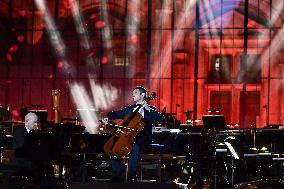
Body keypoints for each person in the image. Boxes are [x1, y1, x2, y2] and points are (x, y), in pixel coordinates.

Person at [103, 86, 165, 182]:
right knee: (113, 146)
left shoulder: (150, 109)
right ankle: (118, 174)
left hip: (144, 138)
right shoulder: (130, 109)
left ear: (142, 95)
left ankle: (131, 175)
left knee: (135, 145)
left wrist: (148, 109)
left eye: (135, 93)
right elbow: (117, 114)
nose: (133, 95)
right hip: (128, 135)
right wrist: (108, 116)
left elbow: (162, 119)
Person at [12, 112, 55, 189]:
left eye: (36, 122)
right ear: (27, 121)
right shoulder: (20, 132)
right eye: (34, 122)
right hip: (20, 161)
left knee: (48, 168)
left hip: (29, 158)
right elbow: (22, 149)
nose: (36, 124)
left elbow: (33, 149)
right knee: (41, 168)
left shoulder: (33, 133)